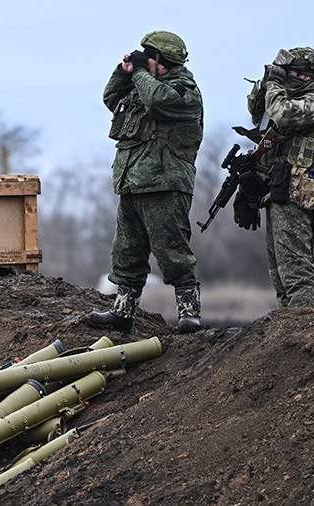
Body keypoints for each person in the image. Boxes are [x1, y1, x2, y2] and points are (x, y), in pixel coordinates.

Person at [89, 30, 204, 333]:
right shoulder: (143, 85)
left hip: (164, 184)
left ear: (162, 60)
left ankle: (189, 312)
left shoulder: (183, 90)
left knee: (172, 250)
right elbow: (111, 98)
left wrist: (141, 72)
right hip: (133, 182)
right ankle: (123, 311)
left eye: (149, 56)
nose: (143, 61)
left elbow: (156, 101)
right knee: (127, 251)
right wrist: (124, 72)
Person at [235, 47, 314, 309]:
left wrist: (274, 83)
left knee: (296, 268)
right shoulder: (291, 96)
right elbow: (258, 112)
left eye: (292, 74)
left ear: (308, 75)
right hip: (279, 185)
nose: (287, 79)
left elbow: (283, 114)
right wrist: (266, 83)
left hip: (298, 189)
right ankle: (289, 332)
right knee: (279, 272)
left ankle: (306, 328)